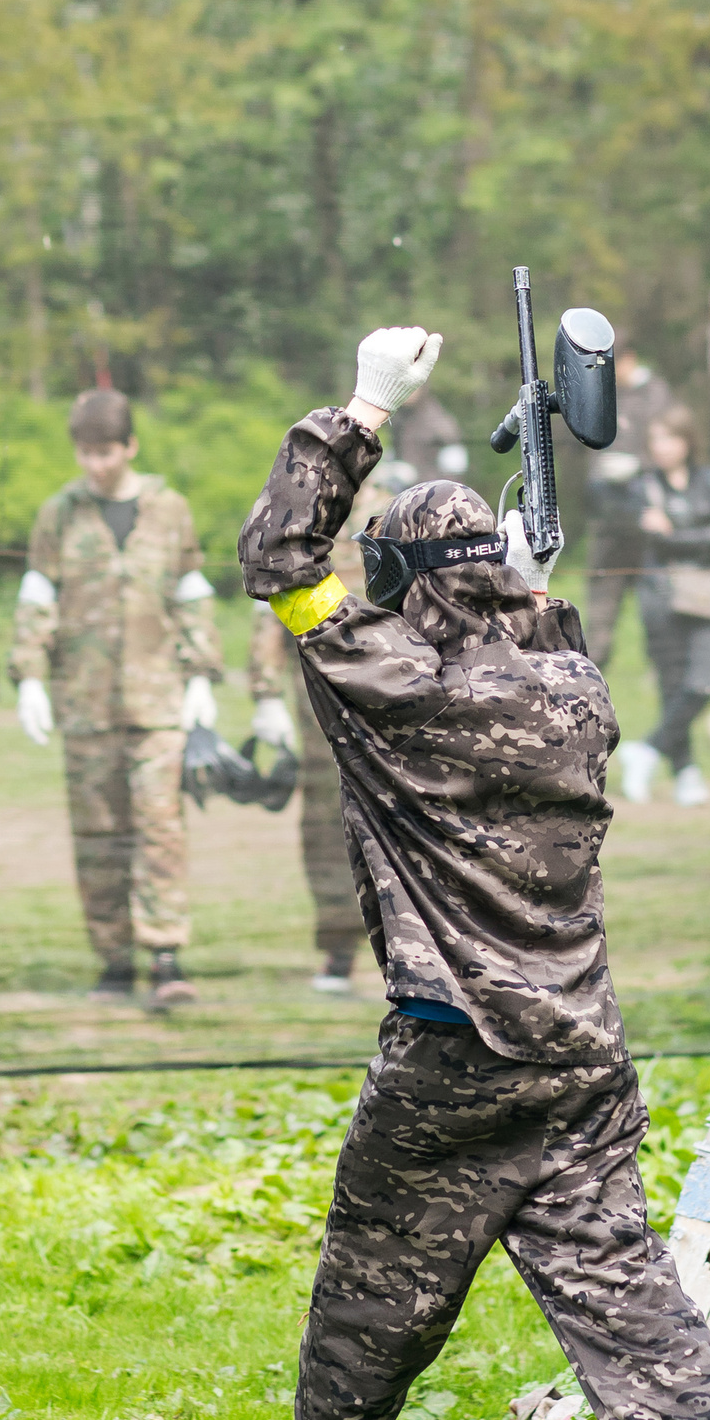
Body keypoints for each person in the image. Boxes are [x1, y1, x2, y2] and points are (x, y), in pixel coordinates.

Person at [225, 326, 710, 1420]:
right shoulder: (573, 681)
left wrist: (367, 403)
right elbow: (521, 622)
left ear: (406, 586)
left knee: (376, 1285)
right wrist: (507, 575)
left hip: (455, 1046)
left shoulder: (392, 679)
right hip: (580, 1050)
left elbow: (279, 561)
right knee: (628, 1300)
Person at [11, 387, 224, 1008]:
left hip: (156, 703)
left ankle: (165, 955)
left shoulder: (168, 510)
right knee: (98, 834)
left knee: (160, 831)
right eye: (84, 452)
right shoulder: (60, 514)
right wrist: (27, 674)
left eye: (106, 451)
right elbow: (36, 596)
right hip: (85, 702)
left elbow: (190, 593)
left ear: (129, 446)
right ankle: (111, 959)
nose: (95, 464)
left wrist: (202, 674)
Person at [245, 394, 464, 995]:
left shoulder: (420, 521)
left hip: (407, 692)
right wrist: (265, 694)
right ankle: (337, 948)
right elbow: (279, 593)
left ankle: (422, 954)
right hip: (325, 692)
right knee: (324, 822)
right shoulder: (325, 518)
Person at [614, 404, 710, 807]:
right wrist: (704, 535)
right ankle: (686, 772)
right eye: (656, 439)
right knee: (672, 685)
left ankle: (646, 749)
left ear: (688, 440)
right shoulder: (642, 486)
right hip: (660, 597)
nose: (662, 447)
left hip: (708, 596)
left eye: (671, 437)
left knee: (702, 684)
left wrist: (678, 534)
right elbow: (659, 539)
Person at [580, 343, 680, 667]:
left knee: (658, 608)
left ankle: (663, 672)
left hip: (648, 516)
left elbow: (673, 442)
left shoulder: (657, 394)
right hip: (610, 519)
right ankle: (589, 675)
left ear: (627, 359)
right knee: (600, 613)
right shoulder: (604, 391)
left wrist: (639, 464)